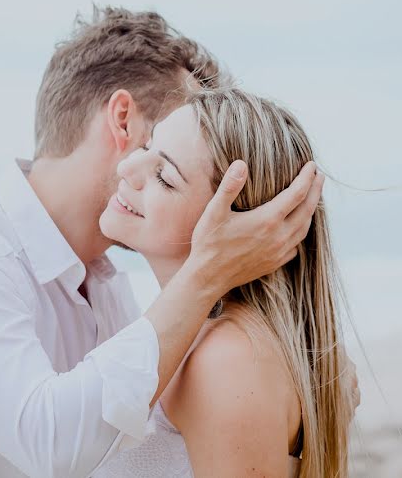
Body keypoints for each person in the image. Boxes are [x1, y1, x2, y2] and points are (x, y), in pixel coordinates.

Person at [0, 6, 326, 477]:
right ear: (123, 121)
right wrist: (206, 274)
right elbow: (54, 441)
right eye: (161, 143)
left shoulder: (110, 291)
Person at [93, 88, 356, 478]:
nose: (127, 168)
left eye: (164, 177)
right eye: (147, 146)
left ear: (244, 226)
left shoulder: (228, 360)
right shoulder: (206, 341)